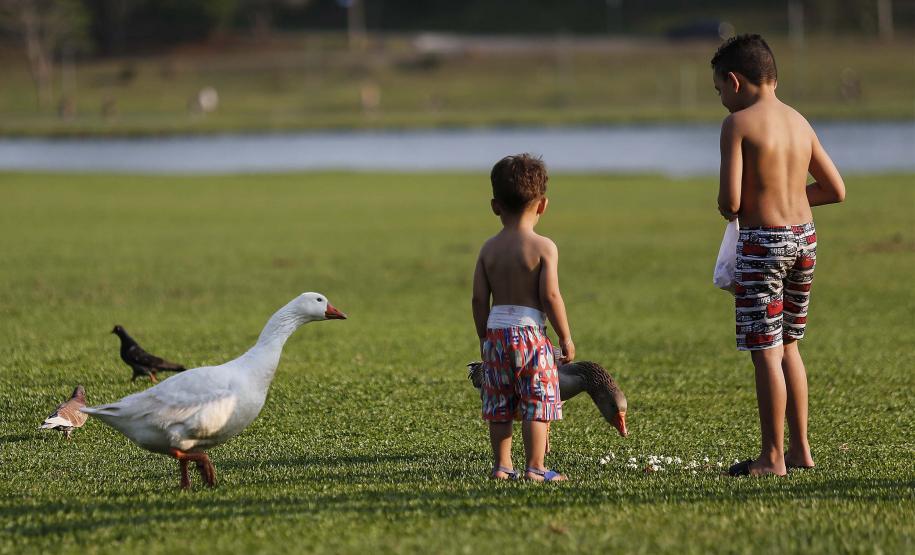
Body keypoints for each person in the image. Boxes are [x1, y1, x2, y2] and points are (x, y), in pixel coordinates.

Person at [711, 34, 846, 476]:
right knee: (789, 344)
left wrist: (751, 200)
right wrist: (787, 192)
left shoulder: (739, 125)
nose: (721, 102)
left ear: (734, 81)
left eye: (718, 91)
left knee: (765, 351)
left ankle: (772, 457)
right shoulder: (798, 120)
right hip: (804, 238)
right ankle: (800, 450)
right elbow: (834, 189)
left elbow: (730, 202)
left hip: (764, 244)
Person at [471, 153, 575, 481]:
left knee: (500, 402)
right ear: (542, 205)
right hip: (532, 335)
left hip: (496, 333)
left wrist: (484, 338)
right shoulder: (544, 247)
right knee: (537, 400)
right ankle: (536, 466)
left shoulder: (488, 250)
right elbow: (550, 296)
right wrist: (565, 336)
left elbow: (477, 298)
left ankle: (502, 466)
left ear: (495, 206)